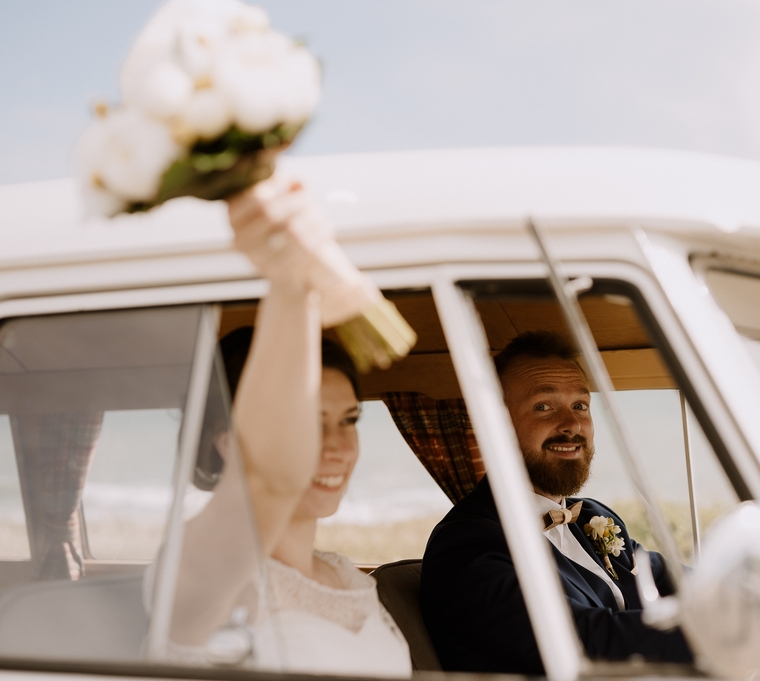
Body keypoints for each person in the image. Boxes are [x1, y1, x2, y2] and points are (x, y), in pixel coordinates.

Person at [164, 178, 411, 677]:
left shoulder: (346, 576)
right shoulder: (203, 577)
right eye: (311, 424)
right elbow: (268, 479)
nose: (340, 447)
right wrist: (292, 278)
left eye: (349, 420)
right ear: (227, 442)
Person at [420, 331, 693, 675]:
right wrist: (709, 631)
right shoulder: (465, 547)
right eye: (543, 407)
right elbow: (581, 641)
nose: (572, 424)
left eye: (580, 405)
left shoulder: (590, 516)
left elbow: (665, 578)